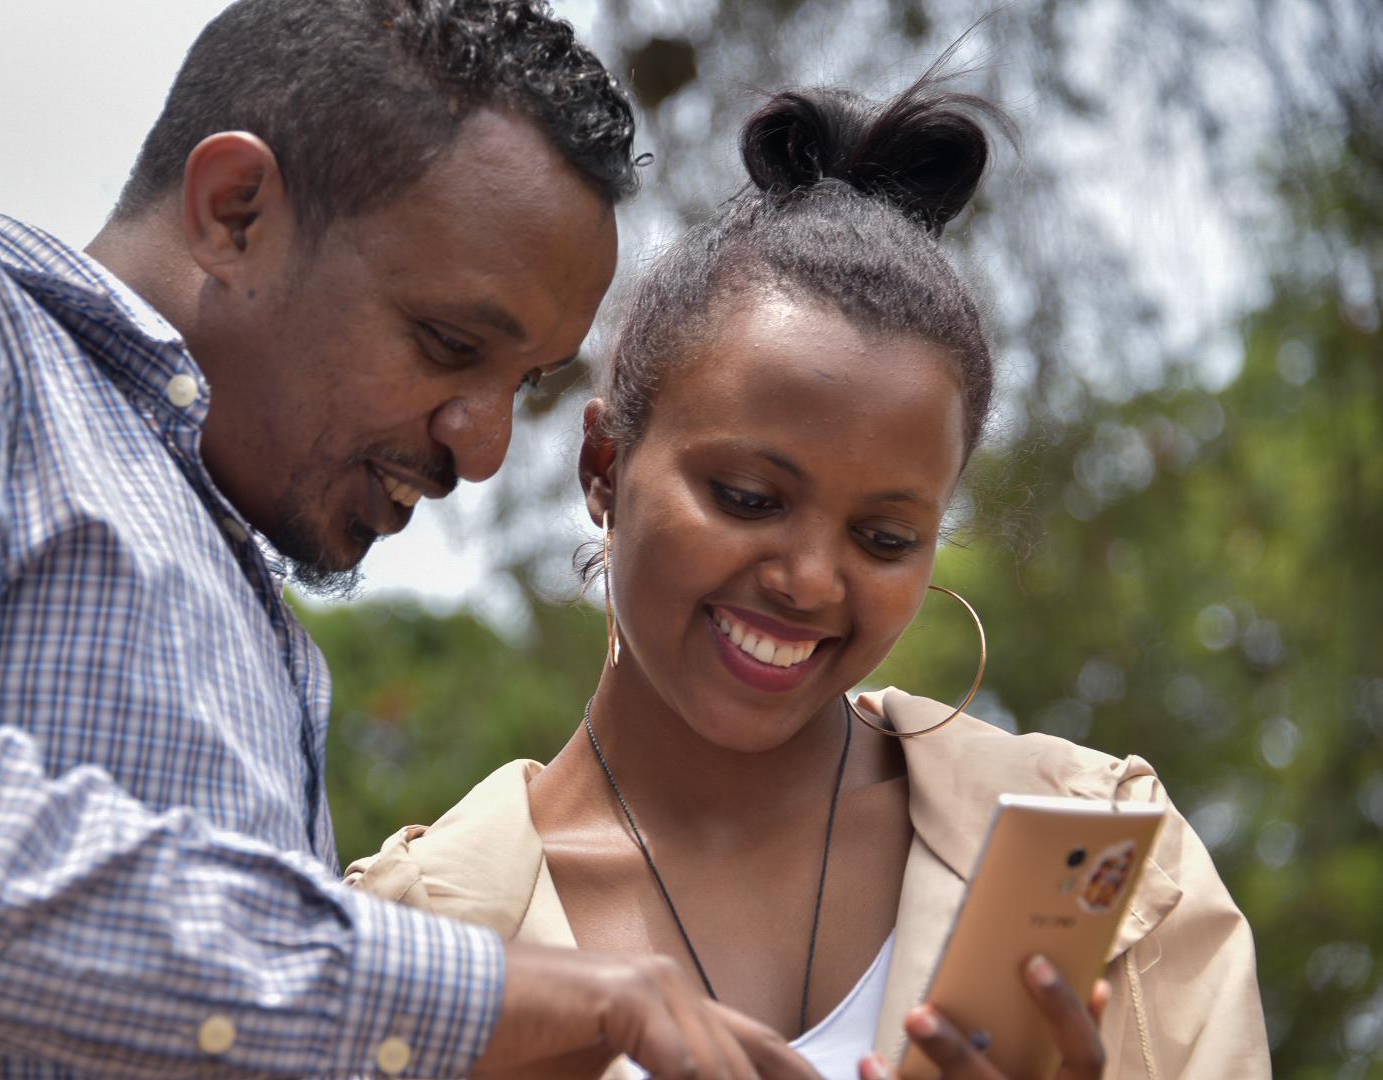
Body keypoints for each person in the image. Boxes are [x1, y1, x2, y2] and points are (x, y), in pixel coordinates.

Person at [0, 2, 824, 1077]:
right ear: (234, 211)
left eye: (525, 383)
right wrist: (477, 990)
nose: (487, 447)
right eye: (450, 343)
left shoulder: (265, 632)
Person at [345, 71, 1273, 1079]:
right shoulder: (406, 945)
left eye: (884, 539)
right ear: (605, 466)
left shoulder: (1111, 873)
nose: (809, 581)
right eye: (747, 497)